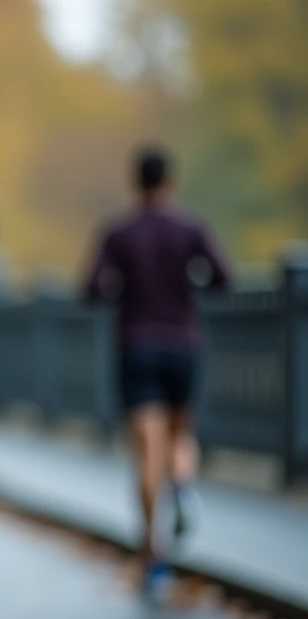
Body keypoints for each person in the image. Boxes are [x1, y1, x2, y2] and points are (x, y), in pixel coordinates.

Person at [84, 145, 232, 592]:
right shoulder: (191, 228)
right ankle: (183, 487)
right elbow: (223, 278)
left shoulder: (119, 232)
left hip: (137, 347)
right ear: (170, 181)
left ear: (136, 182)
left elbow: (92, 288)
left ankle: (154, 556)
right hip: (182, 346)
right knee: (179, 437)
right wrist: (189, 280)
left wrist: (122, 288)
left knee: (147, 453)